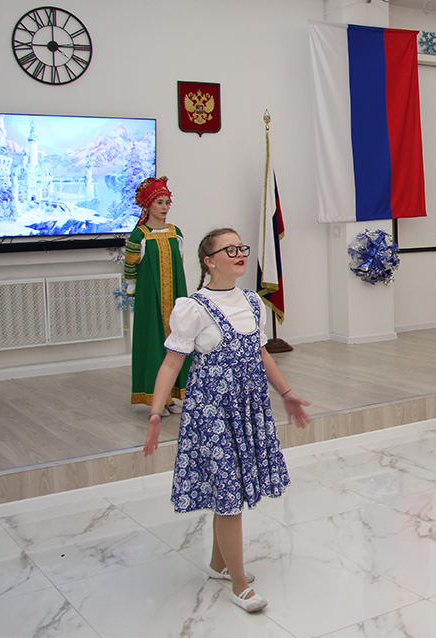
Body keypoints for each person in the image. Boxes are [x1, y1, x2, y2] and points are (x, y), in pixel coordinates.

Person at [143, 227, 311, 612]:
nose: (238, 254)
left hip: (248, 408)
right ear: (209, 261)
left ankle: (219, 563)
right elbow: (171, 364)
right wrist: (155, 412)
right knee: (229, 495)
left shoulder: (252, 302)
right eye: (229, 249)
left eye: (241, 247)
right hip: (212, 411)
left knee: (230, 489)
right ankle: (239, 585)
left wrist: (286, 393)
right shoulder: (193, 308)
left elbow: (261, 354)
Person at [123, 176, 190, 411]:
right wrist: (133, 292)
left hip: (175, 296)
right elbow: (130, 269)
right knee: (153, 342)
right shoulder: (139, 235)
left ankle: (174, 394)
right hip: (150, 299)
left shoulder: (175, 232)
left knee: (178, 341)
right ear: (148, 204)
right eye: (159, 202)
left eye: (167, 202)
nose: (164, 207)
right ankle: (157, 399)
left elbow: (179, 263)